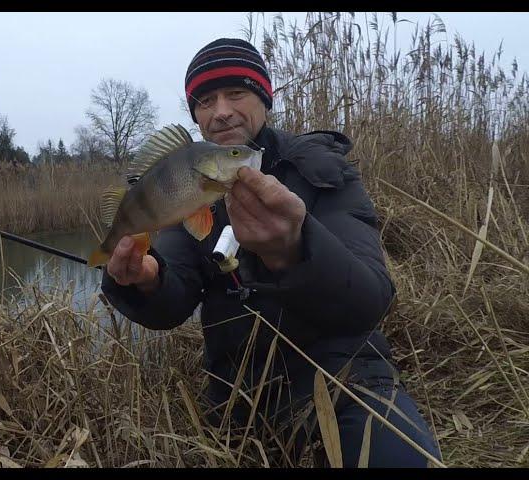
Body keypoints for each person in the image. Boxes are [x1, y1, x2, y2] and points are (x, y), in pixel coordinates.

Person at [100, 38, 441, 467]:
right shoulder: (192, 188)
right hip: (237, 395)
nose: (220, 109)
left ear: (265, 98)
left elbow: (370, 301)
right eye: (205, 100)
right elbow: (173, 297)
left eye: (236, 93)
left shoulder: (321, 169)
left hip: (345, 379)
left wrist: (294, 249)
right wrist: (148, 279)